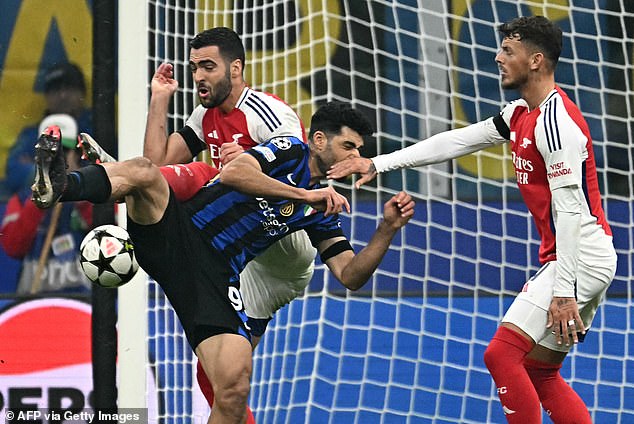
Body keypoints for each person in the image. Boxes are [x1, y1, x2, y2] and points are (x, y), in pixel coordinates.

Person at [32, 102, 415, 423]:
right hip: (179, 231)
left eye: (360, 151)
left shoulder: (322, 210)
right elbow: (233, 172)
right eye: (349, 146)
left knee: (233, 387)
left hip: (215, 275)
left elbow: (349, 275)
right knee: (145, 172)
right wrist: (302, 194)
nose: (356, 158)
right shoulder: (289, 150)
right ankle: (61, 186)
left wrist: (386, 229)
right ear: (318, 140)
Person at [328, 16, 617, 424]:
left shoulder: (557, 124)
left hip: (580, 256)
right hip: (582, 257)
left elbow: (570, 210)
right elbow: (458, 139)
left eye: (508, 51)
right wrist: (378, 162)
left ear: (535, 61)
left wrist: (564, 290)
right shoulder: (521, 113)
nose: (498, 58)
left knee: (500, 354)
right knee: (540, 371)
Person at [142, 27, 317, 407]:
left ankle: (119, 195)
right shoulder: (205, 114)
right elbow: (157, 165)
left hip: (285, 240)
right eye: (194, 68)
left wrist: (249, 168)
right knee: (219, 375)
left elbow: (298, 173)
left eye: (208, 66)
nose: (199, 76)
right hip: (248, 254)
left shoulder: (269, 114)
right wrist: (159, 100)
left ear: (235, 68)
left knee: (206, 177)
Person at [1, 114, 92, 294]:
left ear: (75, 154)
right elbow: (13, 247)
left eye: (62, 152)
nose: (55, 159)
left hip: (83, 300)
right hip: (33, 300)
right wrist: (40, 198)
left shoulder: (92, 194)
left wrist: (78, 190)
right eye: (49, 153)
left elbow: (110, 232)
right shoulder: (20, 200)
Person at [5, 62, 91, 195]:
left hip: (83, 207)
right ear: (46, 96)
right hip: (40, 207)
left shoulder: (97, 129)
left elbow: (108, 169)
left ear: (82, 94)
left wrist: (78, 175)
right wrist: (57, 173)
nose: (63, 95)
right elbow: (13, 172)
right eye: (56, 90)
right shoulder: (31, 135)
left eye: (69, 88)